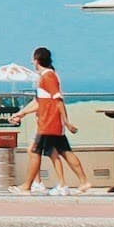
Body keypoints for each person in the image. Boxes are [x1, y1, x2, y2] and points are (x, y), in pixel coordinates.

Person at [22, 45, 87, 195]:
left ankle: (29, 185)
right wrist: (22, 113)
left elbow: (58, 100)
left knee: (34, 150)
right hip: (50, 123)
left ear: (37, 60)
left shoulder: (48, 77)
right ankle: (81, 182)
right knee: (63, 152)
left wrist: (66, 122)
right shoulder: (46, 77)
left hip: (48, 123)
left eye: (33, 59)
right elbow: (39, 102)